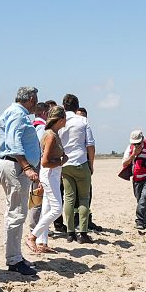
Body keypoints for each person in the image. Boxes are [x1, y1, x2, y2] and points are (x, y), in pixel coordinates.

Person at [0, 86, 41, 277]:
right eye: (36, 100)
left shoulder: (15, 112)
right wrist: (27, 167)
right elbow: (14, 143)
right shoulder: (17, 114)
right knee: (17, 214)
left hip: (13, 165)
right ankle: (14, 260)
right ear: (31, 99)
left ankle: (15, 255)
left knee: (14, 212)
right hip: (15, 166)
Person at [57, 94, 97, 243]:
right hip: (80, 161)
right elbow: (90, 145)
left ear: (64, 106)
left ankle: (70, 233)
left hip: (65, 164)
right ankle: (83, 233)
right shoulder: (83, 121)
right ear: (77, 106)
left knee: (69, 198)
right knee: (84, 198)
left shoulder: (60, 121)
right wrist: (91, 164)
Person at [29, 105, 69, 253]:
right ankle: (32, 236)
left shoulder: (52, 133)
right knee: (57, 209)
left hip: (52, 174)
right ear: (60, 119)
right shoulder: (51, 135)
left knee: (46, 209)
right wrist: (61, 161)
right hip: (50, 174)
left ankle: (42, 242)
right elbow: (45, 162)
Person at [26, 101, 50, 238]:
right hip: (38, 166)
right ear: (44, 113)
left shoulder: (32, 125)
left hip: (30, 164)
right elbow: (43, 149)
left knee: (35, 195)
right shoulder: (41, 127)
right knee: (38, 196)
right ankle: (35, 227)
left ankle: (35, 226)